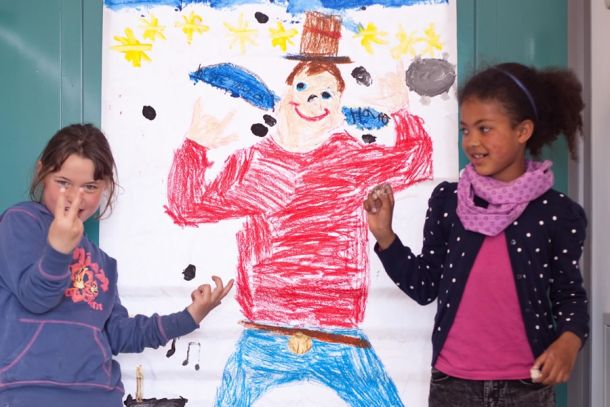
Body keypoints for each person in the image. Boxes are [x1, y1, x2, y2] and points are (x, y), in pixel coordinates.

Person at [364, 62, 589, 407]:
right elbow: (425, 287)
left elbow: (569, 294)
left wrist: (569, 341)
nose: (472, 141)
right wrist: (385, 236)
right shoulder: (448, 202)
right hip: (453, 385)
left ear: (522, 131)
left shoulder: (556, 213)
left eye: (485, 129)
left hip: (527, 386)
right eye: (466, 130)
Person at [0, 124, 234, 407]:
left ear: (105, 188)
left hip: (99, 396)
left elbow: (119, 335)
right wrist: (59, 250)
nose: (76, 197)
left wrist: (189, 317)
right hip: (29, 393)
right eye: (63, 182)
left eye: (90, 187)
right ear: (42, 172)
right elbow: (36, 298)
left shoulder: (103, 264)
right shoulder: (21, 222)